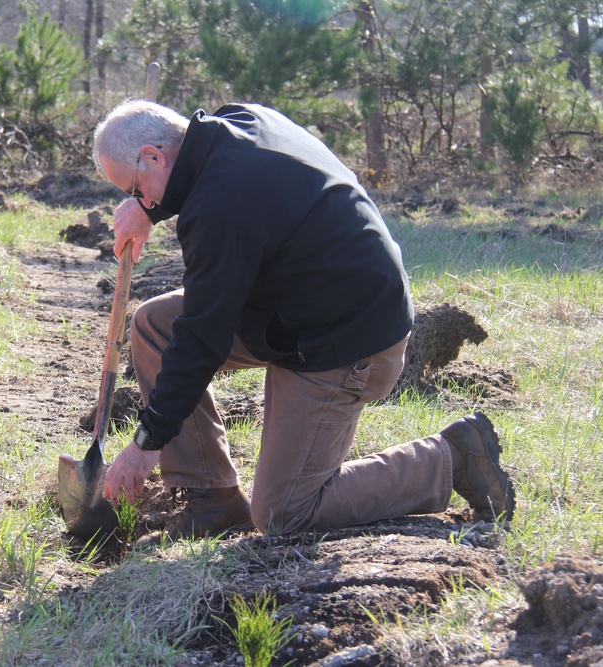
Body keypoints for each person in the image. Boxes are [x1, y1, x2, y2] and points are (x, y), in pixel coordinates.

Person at [93, 99, 516, 542]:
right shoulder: (235, 121)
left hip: (347, 339)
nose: (138, 201)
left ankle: (451, 458)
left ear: (155, 155)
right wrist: (151, 209)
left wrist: (148, 442)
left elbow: (203, 337)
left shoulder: (220, 206)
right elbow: (212, 187)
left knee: (284, 513)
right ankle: (212, 498)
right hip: (307, 305)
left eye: (135, 189)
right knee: (154, 326)